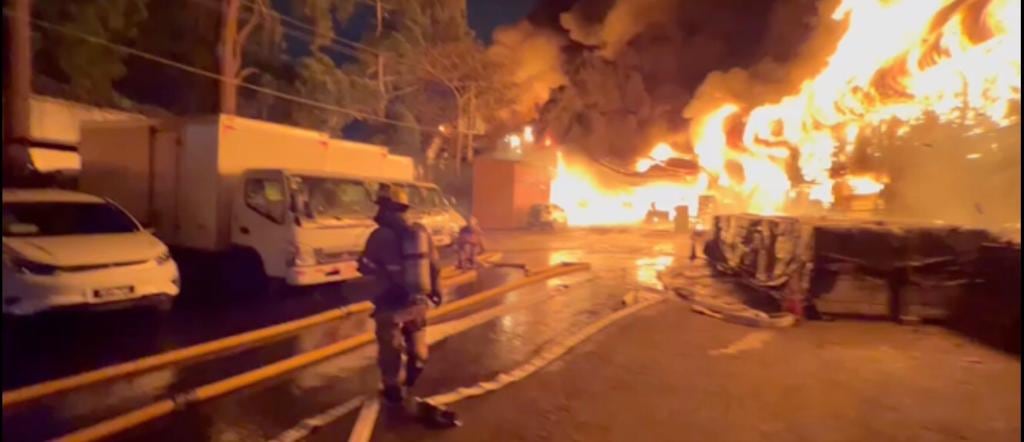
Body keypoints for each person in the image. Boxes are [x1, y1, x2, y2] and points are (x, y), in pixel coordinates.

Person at [358, 184, 442, 406]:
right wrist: (435, 291)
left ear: (385, 209)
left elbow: (365, 266)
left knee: (390, 348)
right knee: (417, 344)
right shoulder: (420, 233)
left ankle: (392, 387)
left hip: (389, 303)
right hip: (416, 301)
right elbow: (434, 265)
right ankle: (417, 365)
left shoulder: (378, 236)